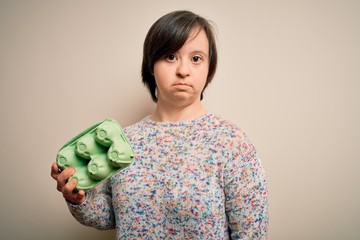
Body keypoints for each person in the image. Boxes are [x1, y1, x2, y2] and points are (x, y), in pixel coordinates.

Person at [51, 10, 269, 239]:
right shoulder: (126, 142)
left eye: (196, 59)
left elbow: (251, 233)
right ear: (151, 65)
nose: (183, 71)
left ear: (209, 68)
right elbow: (110, 216)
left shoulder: (231, 143)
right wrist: (79, 199)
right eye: (171, 57)